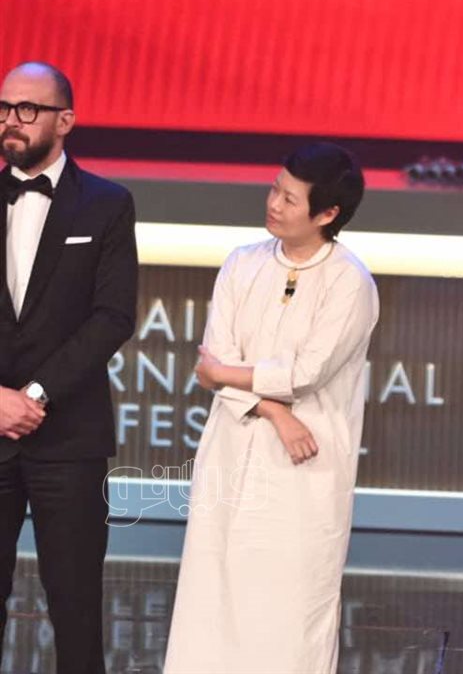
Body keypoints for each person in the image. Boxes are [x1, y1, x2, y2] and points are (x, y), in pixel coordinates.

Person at [164, 142, 379, 674]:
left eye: (289, 198)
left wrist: (229, 377)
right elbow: (212, 361)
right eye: (274, 189)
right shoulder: (243, 263)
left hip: (304, 467)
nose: (274, 204)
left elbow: (304, 373)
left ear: (327, 214)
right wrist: (275, 410)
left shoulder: (349, 281)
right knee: (212, 594)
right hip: (232, 449)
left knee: (289, 607)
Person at [0, 61, 138, 674]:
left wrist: (33, 393)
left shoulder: (107, 204)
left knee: (76, 608)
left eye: (28, 109)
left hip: (69, 440)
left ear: (66, 121)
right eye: (4, 107)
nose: (12, 120)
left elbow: (112, 317)